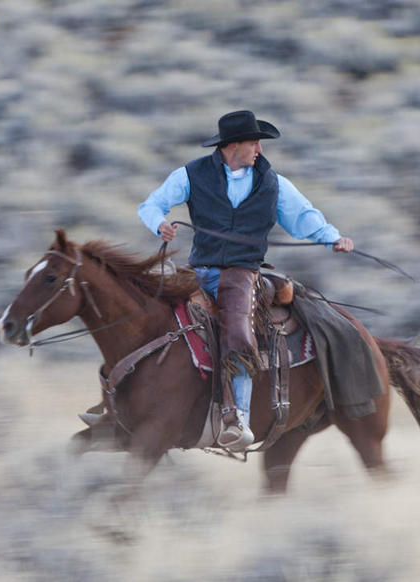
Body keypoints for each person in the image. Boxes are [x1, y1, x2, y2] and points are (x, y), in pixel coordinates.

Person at [138, 110, 353, 452]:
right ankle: (122, 398)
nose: (259, 149)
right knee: (144, 309)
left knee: (237, 329)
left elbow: (303, 217)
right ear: (233, 145)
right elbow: (151, 205)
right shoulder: (191, 174)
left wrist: (333, 238)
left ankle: (235, 418)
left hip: (241, 273)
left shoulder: (273, 182)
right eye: (254, 142)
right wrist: (159, 223)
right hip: (200, 268)